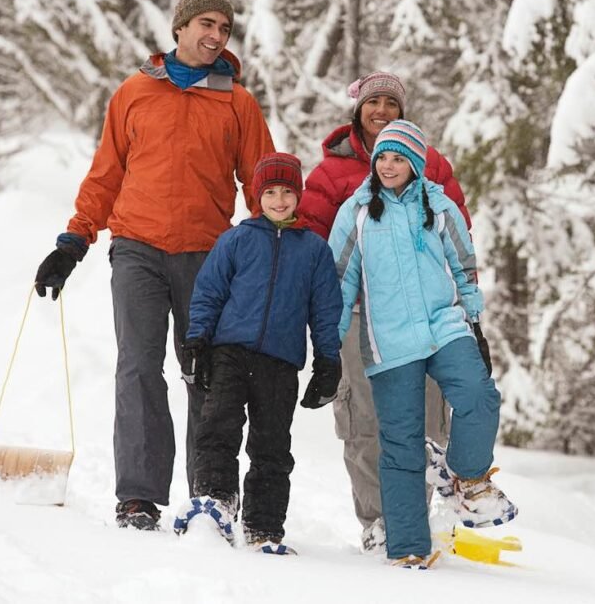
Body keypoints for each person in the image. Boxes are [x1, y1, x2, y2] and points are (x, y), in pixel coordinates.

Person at [32, 0, 275, 530]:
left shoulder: (237, 102)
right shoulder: (135, 92)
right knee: (138, 367)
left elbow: (261, 179)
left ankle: (208, 493)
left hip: (209, 255)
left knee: (205, 374)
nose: (215, 36)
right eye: (205, 24)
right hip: (137, 247)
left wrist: (269, 244)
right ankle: (138, 496)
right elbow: (106, 174)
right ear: (181, 28)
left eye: (224, 29)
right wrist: (74, 241)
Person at [300, 70, 481, 553]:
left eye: (391, 103)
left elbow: (458, 235)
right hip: (359, 317)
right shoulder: (331, 175)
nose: (381, 110)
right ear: (357, 110)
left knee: (428, 421)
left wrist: (468, 311)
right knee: (365, 424)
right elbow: (316, 250)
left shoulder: (431, 164)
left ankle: (421, 518)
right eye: (373, 102)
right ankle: (380, 522)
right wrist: (323, 328)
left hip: (428, 318)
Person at [328, 120, 516, 568]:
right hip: (388, 339)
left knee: (480, 397)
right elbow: (339, 279)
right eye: (382, 159)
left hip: (444, 327)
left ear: (414, 163)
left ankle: (468, 479)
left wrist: (475, 322)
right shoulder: (356, 211)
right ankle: (408, 547)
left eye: (398, 159)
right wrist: (329, 346)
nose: (389, 166)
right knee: (401, 442)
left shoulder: (439, 205)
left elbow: (464, 265)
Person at [173, 153, 342, 554]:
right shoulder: (236, 239)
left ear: (298, 195)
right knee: (217, 428)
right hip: (229, 352)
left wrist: (328, 361)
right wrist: (197, 341)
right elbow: (209, 293)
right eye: (271, 192)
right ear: (257, 195)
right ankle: (215, 502)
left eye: (287, 192)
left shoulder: (314, 251)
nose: (279, 200)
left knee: (271, 446)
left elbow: (325, 311)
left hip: (281, 362)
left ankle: (263, 526)